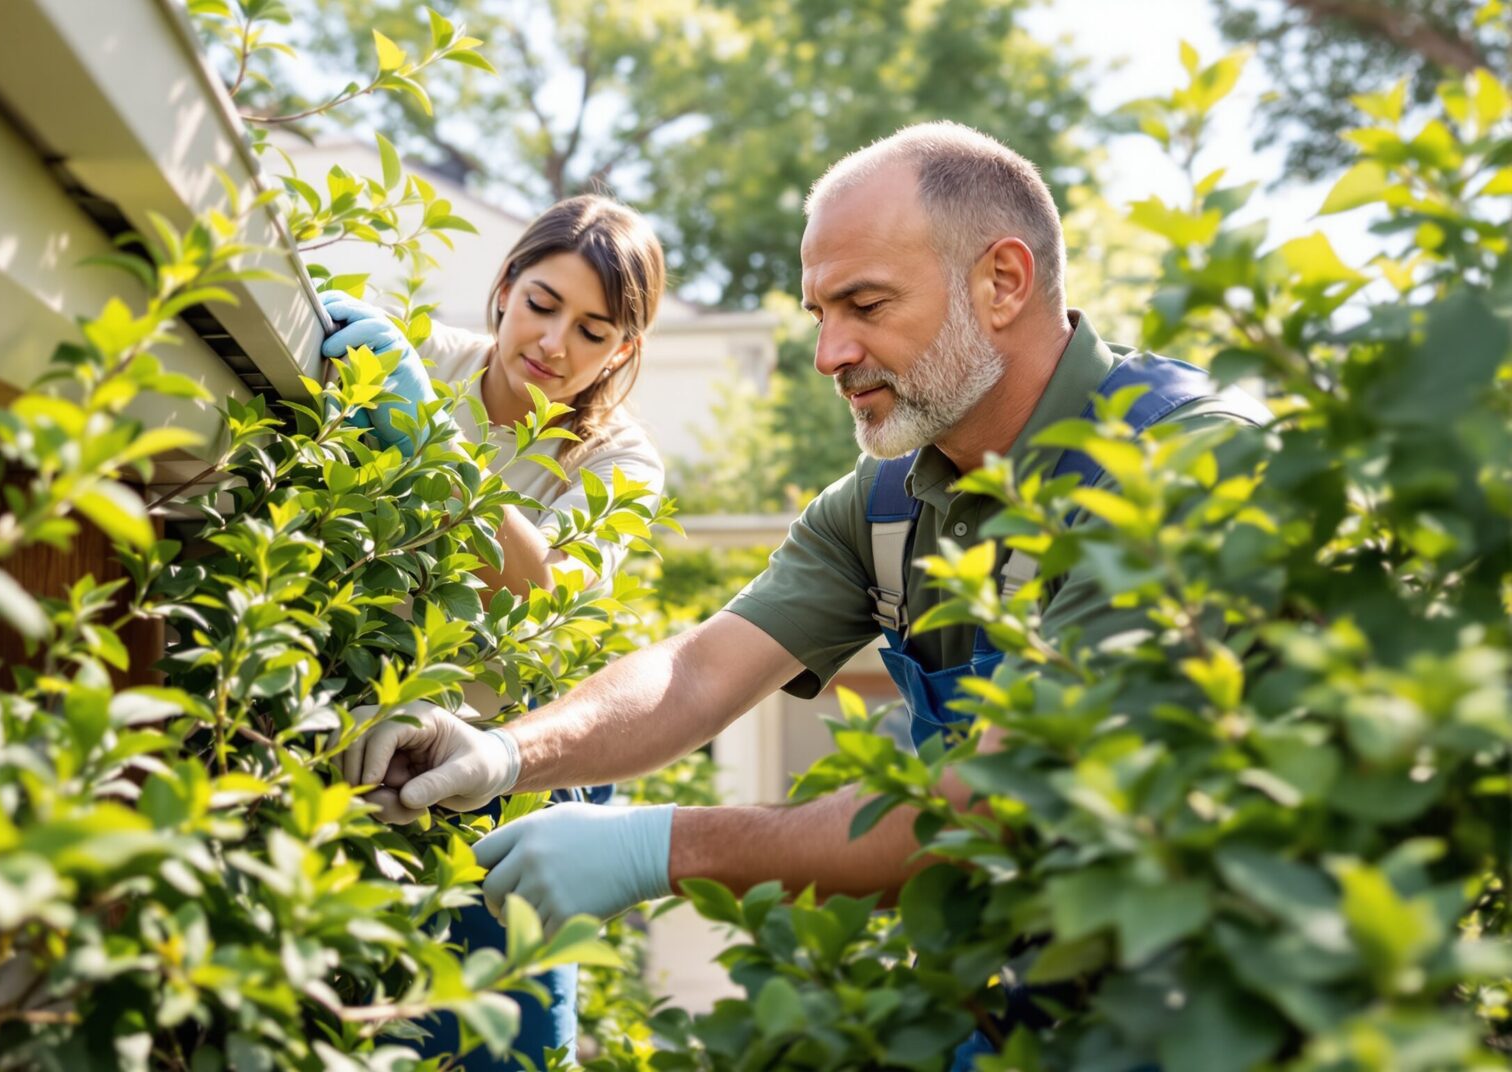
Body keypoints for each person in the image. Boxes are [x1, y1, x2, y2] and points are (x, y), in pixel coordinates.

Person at [339, 122, 1269, 1071]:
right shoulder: (885, 503)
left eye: (864, 305)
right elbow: (699, 672)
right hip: (1015, 1004)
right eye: (819, 312)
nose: (829, 354)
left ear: (1002, 282)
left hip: (1221, 1015)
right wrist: (503, 751)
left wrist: (655, 847)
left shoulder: (1181, 465)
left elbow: (997, 802)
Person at [318, 194, 669, 1070]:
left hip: (504, 770)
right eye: (543, 306)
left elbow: (541, 591)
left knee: (498, 1043)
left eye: (594, 331)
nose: (555, 346)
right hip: (360, 740)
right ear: (506, 287)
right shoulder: (419, 359)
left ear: (623, 349)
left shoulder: (620, 464)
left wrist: (430, 438)